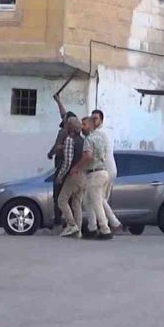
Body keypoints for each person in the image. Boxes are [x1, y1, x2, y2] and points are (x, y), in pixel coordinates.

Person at [72, 116, 113, 240]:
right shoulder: (101, 138)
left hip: (94, 174)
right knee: (88, 201)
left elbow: (88, 156)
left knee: (96, 203)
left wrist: (77, 167)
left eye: (84, 125)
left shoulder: (89, 139)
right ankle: (92, 228)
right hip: (103, 172)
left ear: (90, 125)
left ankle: (105, 230)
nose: (82, 127)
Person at [89, 109, 124, 234]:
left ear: (101, 120)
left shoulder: (97, 134)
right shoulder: (107, 132)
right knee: (98, 199)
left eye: (96, 119)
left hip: (104, 170)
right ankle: (93, 226)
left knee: (97, 198)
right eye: (92, 118)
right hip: (111, 169)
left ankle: (113, 222)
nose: (93, 121)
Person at [47, 93, 76, 230]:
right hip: (70, 168)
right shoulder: (74, 132)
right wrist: (58, 100)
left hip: (62, 167)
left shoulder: (64, 133)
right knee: (68, 197)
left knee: (59, 197)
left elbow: (57, 146)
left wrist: (51, 153)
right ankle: (66, 221)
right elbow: (63, 113)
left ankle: (60, 221)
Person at [56, 117, 85, 238]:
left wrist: (60, 175)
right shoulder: (83, 140)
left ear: (70, 127)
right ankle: (78, 231)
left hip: (73, 175)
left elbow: (68, 161)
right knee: (77, 203)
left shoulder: (69, 140)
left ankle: (72, 225)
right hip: (83, 175)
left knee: (62, 200)